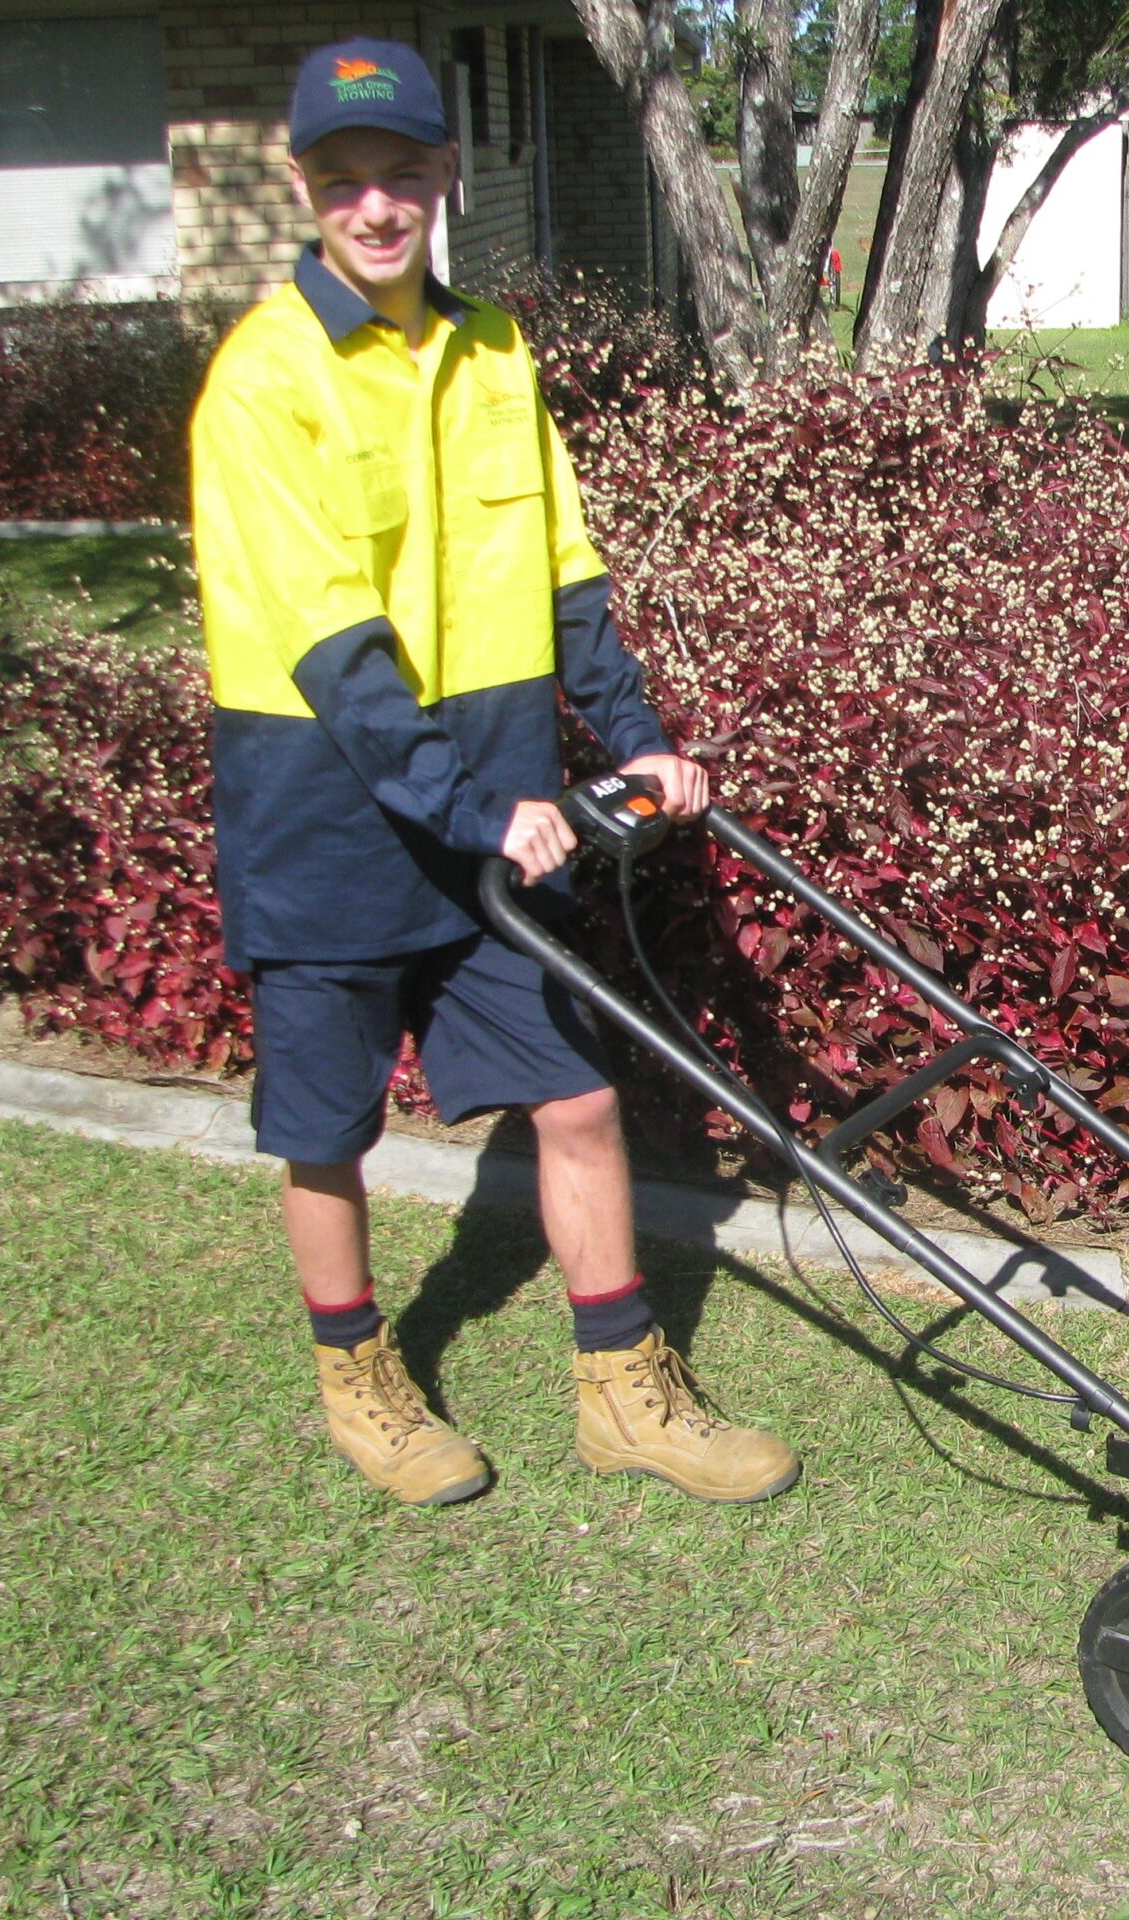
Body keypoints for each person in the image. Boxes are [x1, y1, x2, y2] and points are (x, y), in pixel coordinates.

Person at [191, 38, 797, 1508]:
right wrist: (481, 806)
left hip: (488, 822)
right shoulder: (265, 382)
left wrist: (635, 729)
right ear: (304, 189)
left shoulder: (492, 354)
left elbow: (563, 576)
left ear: (445, 175)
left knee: (575, 1105)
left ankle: (623, 1391)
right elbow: (337, 650)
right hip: (331, 817)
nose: (377, 205)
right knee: (328, 1135)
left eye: (402, 173)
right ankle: (359, 1381)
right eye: (345, 181)